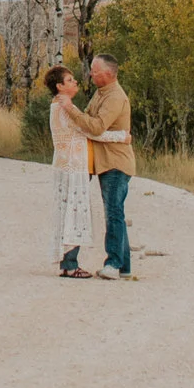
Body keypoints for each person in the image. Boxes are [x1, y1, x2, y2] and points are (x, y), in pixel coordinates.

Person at [62, 53, 135, 279]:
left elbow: (96, 127)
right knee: (115, 212)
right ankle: (124, 266)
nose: (90, 74)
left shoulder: (114, 97)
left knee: (113, 212)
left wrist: (71, 110)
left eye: (95, 70)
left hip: (115, 163)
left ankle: (113, 264)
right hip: (103, 162)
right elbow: (91, 123)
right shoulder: (100, 93)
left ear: (108, 74)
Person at [44, 65, 94, 277]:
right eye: (70, 80)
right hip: (73, 166)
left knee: (67, 211)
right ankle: (71, 263)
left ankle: (68, 262)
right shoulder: (64, 108)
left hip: (64, 164)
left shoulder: (57, 107)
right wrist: (121, 136)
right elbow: (92, 130)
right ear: (60, 86)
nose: (75, 83)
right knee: (74, 211)